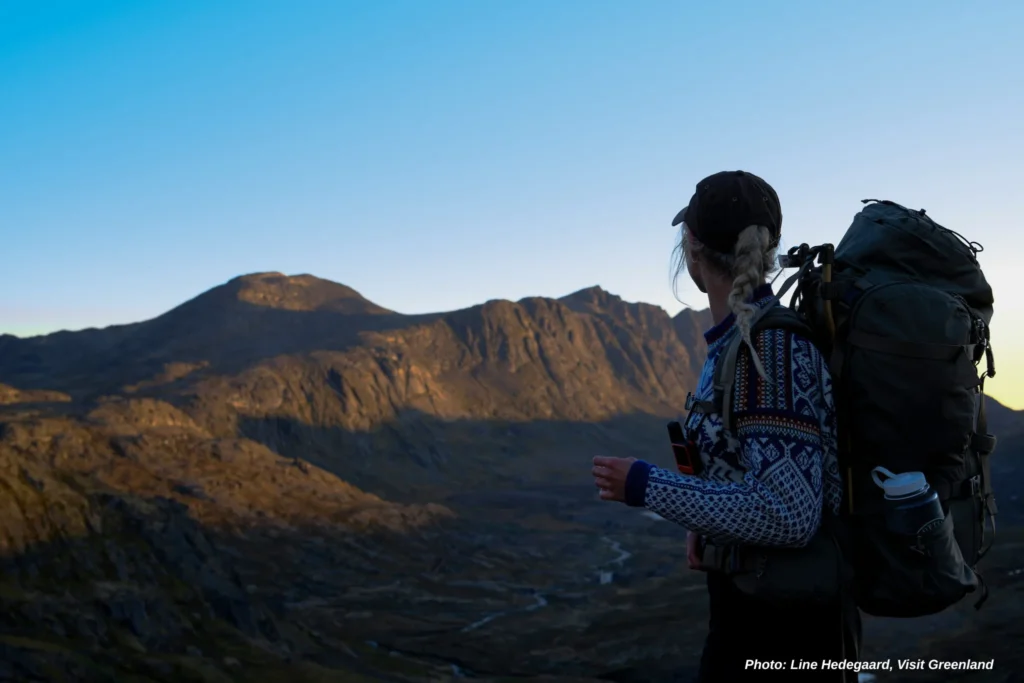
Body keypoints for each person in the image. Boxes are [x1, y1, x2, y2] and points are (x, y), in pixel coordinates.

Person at [591, 170, 859, 682]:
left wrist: (647, 486)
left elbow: (788, 513)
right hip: (755, 605)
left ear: (691, 248)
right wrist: (707, 522)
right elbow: (750, 468)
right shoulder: (739, 339)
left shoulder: (770, 350)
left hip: (785, 629)